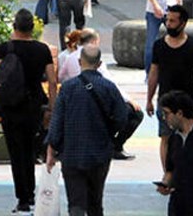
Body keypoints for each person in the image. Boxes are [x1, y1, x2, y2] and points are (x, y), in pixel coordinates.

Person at [46, 44, 128, 216]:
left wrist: (51, 149)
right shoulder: (109, 87)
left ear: (79, 61)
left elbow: (57, 120)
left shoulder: (68, 88)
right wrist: (111, 136)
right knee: (95, 201)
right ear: (99, 64)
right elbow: (122, 117)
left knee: (75, 202)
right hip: (99, 153)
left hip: (72, 153)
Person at [0, 9, 57, 213]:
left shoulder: (6, 48)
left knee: (15, 152)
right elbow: (52, 81)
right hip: (34, 105)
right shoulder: (42, 49)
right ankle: (31, 193)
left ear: (14, 27)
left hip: (11, 106)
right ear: (32, 28)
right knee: (29, 150)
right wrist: (51, 108)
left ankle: (23, 198)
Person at [146, 5, 193, 170]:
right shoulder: (159, 46)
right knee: (166, 137)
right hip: (165, 100)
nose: (168, 24)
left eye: (172, 21)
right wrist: (149, 99)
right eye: (167, 20)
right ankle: (167, 173)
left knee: (189, 137)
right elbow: (153, 74)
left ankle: (187, 171)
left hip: (188, 99)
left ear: (183, 23)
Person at [58, 29, 144, 160]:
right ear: (93, 42)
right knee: (135, 114)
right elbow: (110, 83)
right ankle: (115, 145)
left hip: (76, 102)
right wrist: (128, 99)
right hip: (99, 105)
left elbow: (61, 77)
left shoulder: (68, 57)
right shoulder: (94, 58)